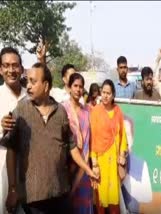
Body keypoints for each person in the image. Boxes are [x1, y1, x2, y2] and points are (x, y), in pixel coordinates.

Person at [1, 63, 98, 214]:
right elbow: (11, 149)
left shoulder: (60, 112)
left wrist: (88, 170)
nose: (28, 86)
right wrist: (13, 189)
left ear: (46, 86)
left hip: (60, 193)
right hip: (33, 198)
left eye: (33, 82)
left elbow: (71, 146)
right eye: (28, 81)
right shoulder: (21, 110)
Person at [90, 79, 128, 214]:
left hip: (113, 163)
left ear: (113, 95)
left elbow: (123, 135)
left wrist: (122, 155)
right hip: (101, 161)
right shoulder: (95, 112)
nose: (105, 96)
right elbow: (92, 139)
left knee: (113, 201)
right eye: (103, 92)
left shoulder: (117, 111)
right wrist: (94, 164)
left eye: (108, 93)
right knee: (100, 200)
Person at [62, 73, 94, 214]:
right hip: (66, 165)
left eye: (81, 87)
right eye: (75, 86)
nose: (78, 89)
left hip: (84, 167)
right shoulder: (61, 109)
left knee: (83, 205)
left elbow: (90, 139)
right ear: (69, 87)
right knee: (66, 204)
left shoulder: (87, 111)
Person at [0, 47, 27, 214]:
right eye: (6, 66)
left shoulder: (30, 98)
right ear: (0, 69)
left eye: (15, 65)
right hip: (2, 172)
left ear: (22, 69)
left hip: (29, 175)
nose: (11, 70)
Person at [122, 116, 152, 213]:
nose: (125, 140)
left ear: (133, 138)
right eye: (121, 135)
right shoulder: (108, 162)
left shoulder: (141, 165)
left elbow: (146, 201)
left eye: (128, 135)